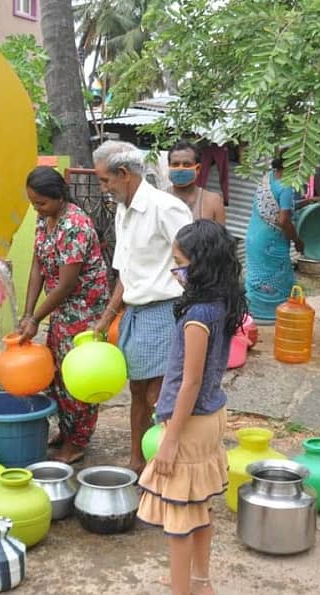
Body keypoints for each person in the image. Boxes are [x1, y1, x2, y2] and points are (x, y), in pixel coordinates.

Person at [137, 220, 247, 595]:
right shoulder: (223, 302)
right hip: (212, 416)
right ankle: (199, 581)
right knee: (199, 506)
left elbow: (191, 381)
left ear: (201, 264)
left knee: (179, 514)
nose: (175, 270)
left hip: (192, 422)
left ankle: (181, 591)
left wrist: (170, 439)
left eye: (180, 262)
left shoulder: (198, 315)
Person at [91, 140, 193, 474]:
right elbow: (125, 270)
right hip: (135, 315)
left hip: (167, 311)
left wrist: (196, 317)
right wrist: (106, 318)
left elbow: (192, 263)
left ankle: (166, 466)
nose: (104, 188)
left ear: (124, 173)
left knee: (159, 397)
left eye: (106, 181)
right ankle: (137, 460)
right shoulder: (122, 209)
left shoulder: (166, 207)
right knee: (137, 391)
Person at [18, 166, 110, 464]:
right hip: (60, 308)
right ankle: (66, 430)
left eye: (41, 203)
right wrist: (28, 312)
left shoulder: (75, 225)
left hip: (85, 310)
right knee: (55, 373)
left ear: (59, 197)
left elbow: (67, 283)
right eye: (33, 203)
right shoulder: (45, 218)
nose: (37, 208)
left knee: (78, 377)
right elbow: (37, 265)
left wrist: (35, 320)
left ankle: (78, 441)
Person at [244, 156, 304, 324]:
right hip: (271, 241)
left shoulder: (268, 178)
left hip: (254, 237)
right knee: (278, 276)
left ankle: (254, 312)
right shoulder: (286, 186)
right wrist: (297, 240)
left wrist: (306, 202)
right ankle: (273, 315)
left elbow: (277, 207)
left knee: (257, 275)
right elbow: (283, 220)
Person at [167, 140, 227, 225]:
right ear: (169, 167)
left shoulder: (213, 201)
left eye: (187, 165)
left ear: (198, 168)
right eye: (175, 164)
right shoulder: (157, 200)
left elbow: (221, 236)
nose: (180, 169)